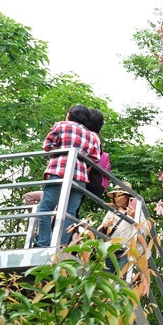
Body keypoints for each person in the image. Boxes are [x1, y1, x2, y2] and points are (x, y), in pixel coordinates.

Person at [32, 104, 102, 247]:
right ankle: (61, 245)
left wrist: (62, 150)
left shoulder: (61, 126)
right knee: (69, 214)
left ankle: (44, 243)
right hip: (80, 178)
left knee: (45, 208)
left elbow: (47, 146)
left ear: (69, 114)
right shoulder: (92, 136)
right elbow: (95, 158)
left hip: (59, 172)